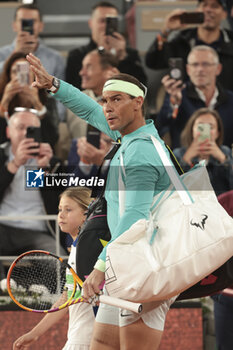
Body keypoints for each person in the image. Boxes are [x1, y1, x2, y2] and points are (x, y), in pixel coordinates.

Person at [27, 52, 177, 350]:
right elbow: (91, 111)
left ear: (138, 102)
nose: (107, 108)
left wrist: (99, 266)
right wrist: (53, 85)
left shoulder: (140, 151)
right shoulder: (131, 136)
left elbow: (134, 218)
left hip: (145, 269)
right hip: (127, 264)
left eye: (117, 99)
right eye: (106, 100)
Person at [13, 186, 95, 350]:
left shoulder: (88, 251)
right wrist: (34, 334)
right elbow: (65, 299)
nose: (61, 215)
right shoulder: (76, 250)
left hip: (86, 339)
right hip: (81, 338)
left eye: (68, 210)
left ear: (86, 215)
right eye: (59, 210)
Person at [0, 109, 67, 282]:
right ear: (8, 131)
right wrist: (14, 164)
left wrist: (44, 170)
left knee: (58, 262)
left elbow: (60, 202)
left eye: (32, 130)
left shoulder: (52, 163)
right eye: (21, 128)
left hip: (37, 230)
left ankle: (51, 303)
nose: (25, 134)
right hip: (3, 225)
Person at [145, 0, 233, 92]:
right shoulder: (183, 40)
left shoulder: (230, 41)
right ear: (197, 10)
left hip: (227, 102)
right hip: (187, 102)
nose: (208, 10)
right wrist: (166, 30)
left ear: (224, 14)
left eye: (214, 6)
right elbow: (153, 62)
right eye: (204, 5)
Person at [157, 45, 233, 149]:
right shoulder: (176, 95)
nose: (200, 69)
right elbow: (159, 129)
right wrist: (174, 103)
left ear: (218, 69)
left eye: (206, 64)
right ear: (188, 70)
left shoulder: (230, 99)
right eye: (195, 64)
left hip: (223, 161)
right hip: (186, 162)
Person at [0, 3, 66, 121]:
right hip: (6, 118)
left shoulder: (55, 59)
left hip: (43, 118)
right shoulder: (1, 55)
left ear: (41, 26)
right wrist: (16, 55)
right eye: (23, 22)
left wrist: (51, 119)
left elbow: (61, 98)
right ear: (14, 25)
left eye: (32, 22)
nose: (27, 26)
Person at [65, 1, 147, 89]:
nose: (106, 26)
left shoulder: (130, 55)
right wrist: (100, 52)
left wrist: (122, 57)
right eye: (102, 21)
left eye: (111, 21)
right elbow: (73, 88)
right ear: (91, 23)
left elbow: (141, 87)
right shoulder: (77, 55)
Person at [0, 51, 59, 149]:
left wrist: (37, 104)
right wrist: (5, 101)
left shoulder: (47, 101)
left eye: (26, 71)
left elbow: (51, 140)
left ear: (34, 75)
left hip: (38, 152)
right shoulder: (2, 98)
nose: (20, 76)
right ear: (9, 76)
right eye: (15, 71)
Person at [173, 108, 233, 195]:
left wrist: (223, 159)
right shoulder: (179, 154)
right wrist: (186, 160)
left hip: (220, 205)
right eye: (200, 127)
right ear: (192, 130)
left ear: (217, 133)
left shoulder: (225, 152)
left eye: (210, 127)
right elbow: (172, 188)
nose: (205, 132)